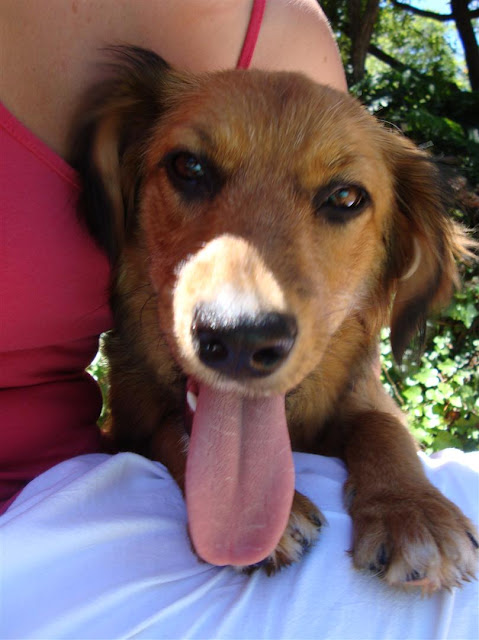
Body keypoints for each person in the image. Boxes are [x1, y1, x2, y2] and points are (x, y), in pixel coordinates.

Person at [0, 1, 477, 638]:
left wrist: (395, 485)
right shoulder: (129, 141)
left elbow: (366, 407)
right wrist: (174, 445)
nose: (246, 308)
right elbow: (135, 420)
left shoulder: (286, 29)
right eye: (191, 170)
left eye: (341, 200)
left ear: (400, 258)